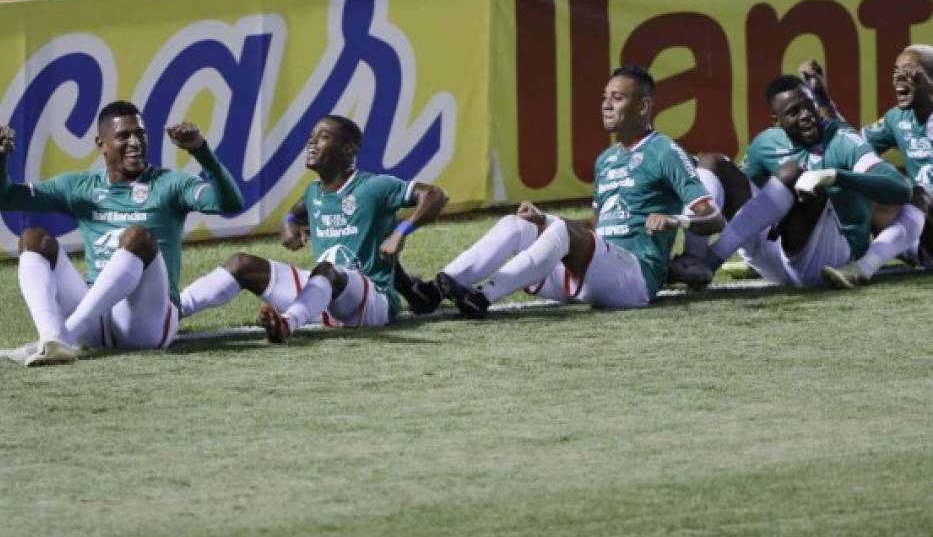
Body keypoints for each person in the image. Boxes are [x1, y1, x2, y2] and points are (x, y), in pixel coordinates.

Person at [407, 65, 722, 319]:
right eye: (605, 97)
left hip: (634, 278)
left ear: (643, 106)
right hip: (594, 270)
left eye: (617, 98)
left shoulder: (664, 151)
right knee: (516, 225)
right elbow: (597, 227)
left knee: (559, 230)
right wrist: (544, 219)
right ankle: (439, 287)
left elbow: (714, 219)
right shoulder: (606, 159)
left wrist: (675, 221)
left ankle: (482, 296)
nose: (606, 105)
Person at [0, 100, 244, 366]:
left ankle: (64, 335)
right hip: (97, 321)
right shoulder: (81, 187)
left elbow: (229, 203)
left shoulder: (170, 183)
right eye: (123, 136)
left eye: (140, 134)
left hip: (146, 324)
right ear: (101, 145)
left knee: (138, 237)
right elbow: (2, 198)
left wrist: (201, 151)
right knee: (33, 239)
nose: (135, 142)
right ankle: (51, 337)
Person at [178, 115, 448, 344]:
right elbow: (294, 213)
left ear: (348, 149)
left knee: (327, 269)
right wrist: (288, 225)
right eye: (311, 136)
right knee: (241, 264)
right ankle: (175, 309)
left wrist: (400, 232)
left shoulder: (374, 186)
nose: (312, 142)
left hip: (372, 300)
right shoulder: (313, 192)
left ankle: (286, 324)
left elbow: (435, 195)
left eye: (323, 137)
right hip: (324, 296)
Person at [669, 74, 913, 289]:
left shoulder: (842, 139)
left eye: (809, 107)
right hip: (774, 256)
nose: (806, 116)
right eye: (794, 112)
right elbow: (744, 194)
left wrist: (833, 176)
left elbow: (901, 190)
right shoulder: (766, 143)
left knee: (793, 173)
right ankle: (694, 261)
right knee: (713, 162)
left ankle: (714, 259)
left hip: (831, 261)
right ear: (776, 121)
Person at [800, 47, 933, 287]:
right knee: (862, 187)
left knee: (921, 191)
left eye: (910, 72)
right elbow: (849, 142)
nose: (899, 78)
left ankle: (862, 268)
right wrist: (821, 98)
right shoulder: (897, 119)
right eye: (895, 71)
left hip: (926, 213)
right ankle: (776, 255)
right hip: (922, 239)